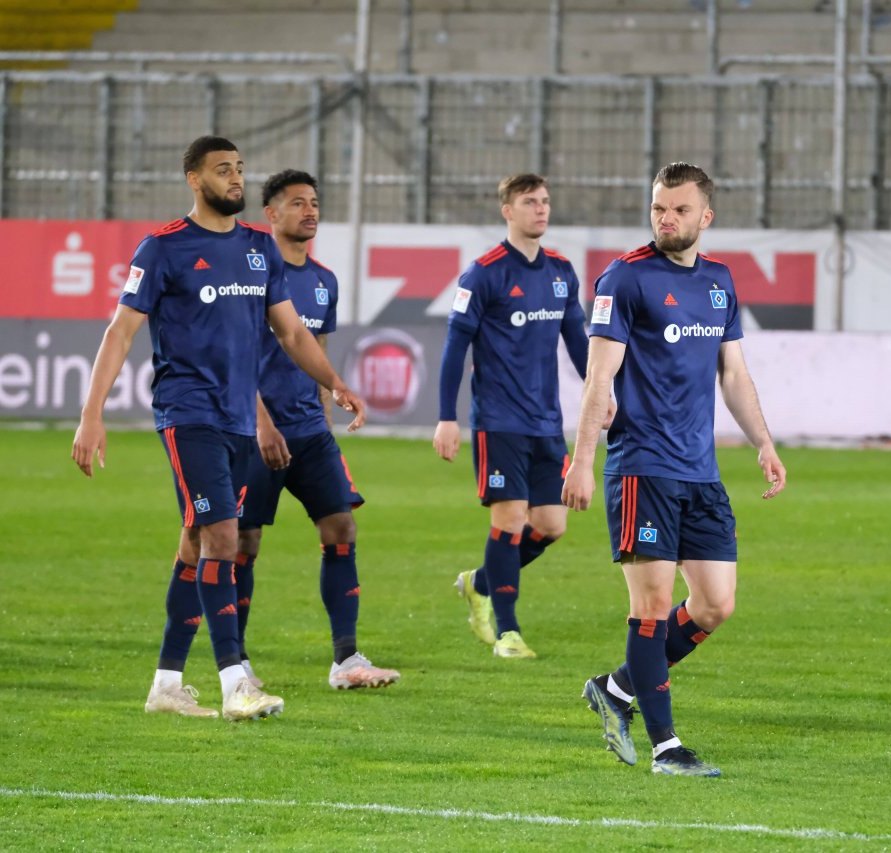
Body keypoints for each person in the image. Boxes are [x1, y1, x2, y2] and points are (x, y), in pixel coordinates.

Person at [71, 136, 367, 722]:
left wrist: (334, 382)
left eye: (238, 170)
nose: (234, 179)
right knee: (224, 540)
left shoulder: (260, 250)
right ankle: (237, 683)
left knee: (195, 544)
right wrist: (91, 413)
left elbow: (292, 333)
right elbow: (121, 333)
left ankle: (167, 684)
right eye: (222, 170)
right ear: (193, 179)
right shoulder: (163, 249)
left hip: (237, 421)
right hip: (189, 415)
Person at [562, 162, 787, 776]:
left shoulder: (719, 281)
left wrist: (763, 442)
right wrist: (583, 461)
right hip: (641, 467)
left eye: (680, 210)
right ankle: (667, 748)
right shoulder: (625, 279)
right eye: (659, 207)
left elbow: (733, 375)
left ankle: (615, 690)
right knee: (654, 606)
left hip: (701, 472)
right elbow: (599, 377)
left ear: (705, 216)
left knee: (715, 605)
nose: (667, 218)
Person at [234, 169, 398, 691]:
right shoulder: (249, 272)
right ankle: (236, 663)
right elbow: (235, 359)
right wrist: (261, 423)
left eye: (314, 203)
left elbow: (317, 353)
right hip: (254, 431)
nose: (310, 211)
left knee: (341, 529)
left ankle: (347, 660)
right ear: (271, 214)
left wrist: (328, 406)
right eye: (297, 203)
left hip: (309, 431)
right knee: (243, 543)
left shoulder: (324, 280)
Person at [433, 173, 606, 659]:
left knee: (551, 525)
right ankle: (508, 633)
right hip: (499, 420)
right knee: (509, 521)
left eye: (546, 201)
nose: (541, 210)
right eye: (530, 202)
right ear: (507, 210)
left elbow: (578, 341)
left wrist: (602, 391)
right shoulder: (483, 273)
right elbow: (454, 348)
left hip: (546, 423)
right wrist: (447, 417)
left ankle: (480, 582)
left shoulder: (560, 271)